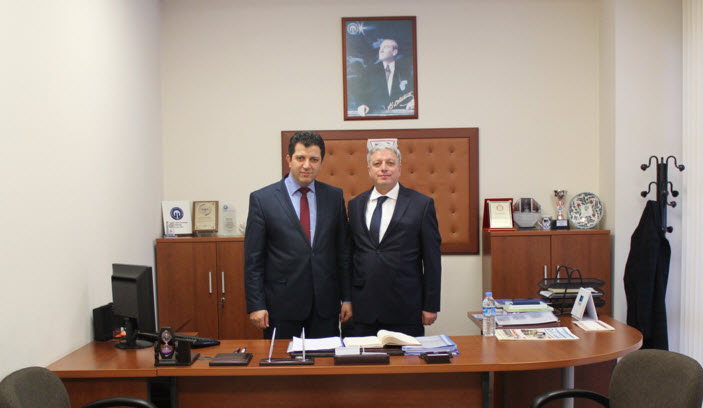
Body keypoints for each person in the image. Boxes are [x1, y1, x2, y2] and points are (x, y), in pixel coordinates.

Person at [244, 131, 352, 339]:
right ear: (289, 160)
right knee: (282, 360)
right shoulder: (263, 199)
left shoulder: (334, 196)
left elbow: (343, 252)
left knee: (325, 358)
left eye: (314, 159)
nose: (307, 165)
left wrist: (347, 298)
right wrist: (256, 304)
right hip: (280, 307)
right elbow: (253, 260)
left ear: (321, 162)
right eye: (300, 158)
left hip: (325, 307)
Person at [347, 143, 441, 337]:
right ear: (369, 169)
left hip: (405, 308)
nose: (384, 168)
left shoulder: (421, 204)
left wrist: (430, 305)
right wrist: (346, 299)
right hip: (362, 309)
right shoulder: (355, 205)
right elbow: (349, 255)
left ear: (399, 168)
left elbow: (432, 260)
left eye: (390, 163)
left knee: (405, 358)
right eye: (377, 163)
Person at [356, 39, 415, 116]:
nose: (381, 50)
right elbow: (360, 92)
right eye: (380, 47)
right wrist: (361, 105)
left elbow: (413, 91)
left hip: (400, 116)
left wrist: (414, 101)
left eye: (386, 47)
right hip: (375, 116)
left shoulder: (405, 71)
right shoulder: (370, 71)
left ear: (394, 52)